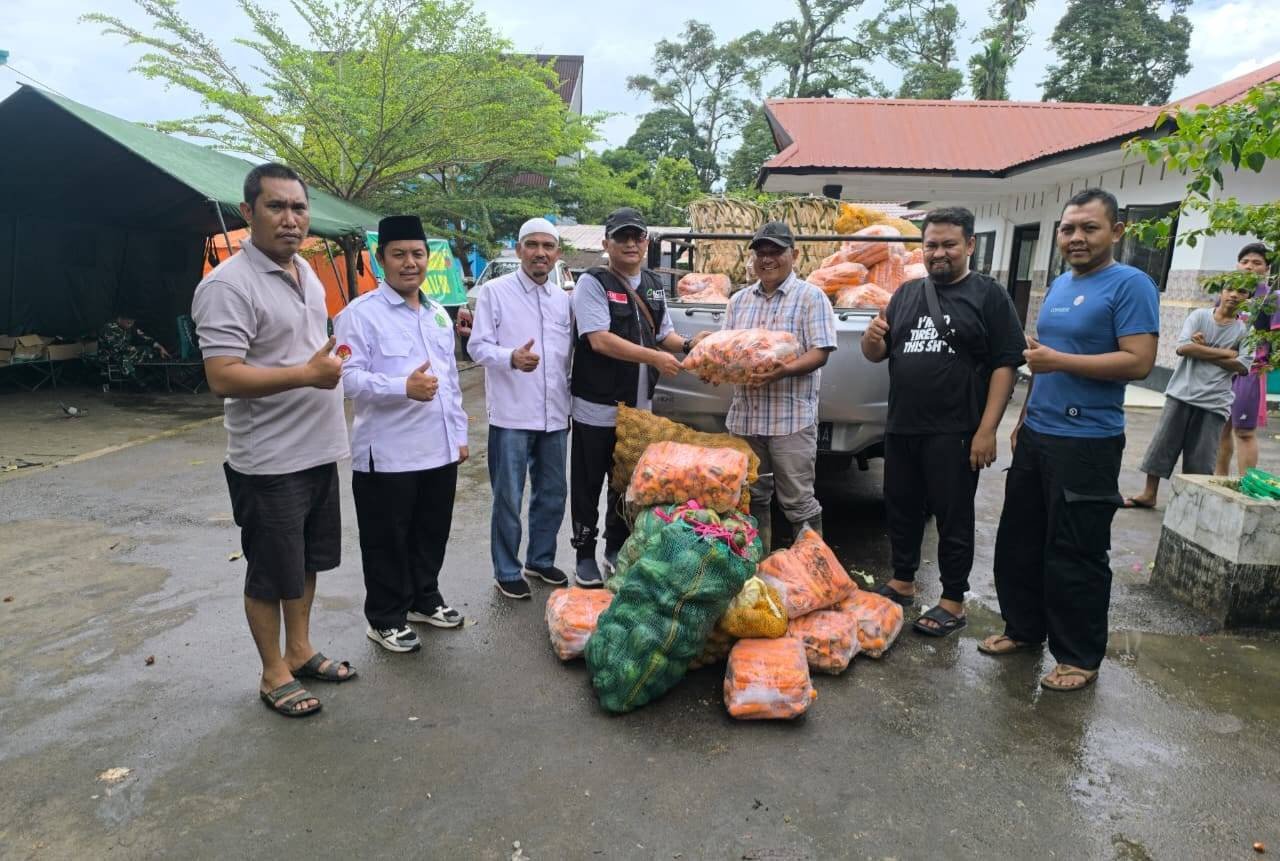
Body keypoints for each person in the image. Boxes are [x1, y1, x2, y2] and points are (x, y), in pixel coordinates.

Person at [193, 162, 356, 718]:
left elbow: (308, 349)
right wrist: (306, 376)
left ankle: (301, 649)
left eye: (299, 208)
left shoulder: (307, 274)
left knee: (306, 563)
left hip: (317, 449)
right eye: (276, 207)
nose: (291, 219)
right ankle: (272, 672)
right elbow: (222, 376)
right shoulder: (226, 286)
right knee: (268, 572)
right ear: (248, 212)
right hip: (268, 461)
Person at [983, 188, 1159, 692]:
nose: (1076, 238)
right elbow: (1043, 355)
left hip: (1087, 442)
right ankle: (1023, 628)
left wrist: (1058, 362)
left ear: (1116, 232)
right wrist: (1024, 416)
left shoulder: (1131, 284)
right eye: (1068, 229)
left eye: (1089, 228)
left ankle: (1079, 655)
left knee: (1076, 550)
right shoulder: (1061, 285)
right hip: (1039, 432)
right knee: (1021, 540)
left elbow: (1140, 361)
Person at [861, 207, 1025, 637]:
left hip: (956, 430)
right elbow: (878, 354)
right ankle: (903, 580)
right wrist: (870, 341)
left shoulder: (989, 295)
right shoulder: (906, 293)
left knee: (953, 516)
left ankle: (953, 599)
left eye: (949, 244)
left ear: (970, 245)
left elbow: (1006, 364)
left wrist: (986, 430)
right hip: (902, 425)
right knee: (901, 506)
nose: (939, 253)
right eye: (931, 245)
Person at [334, 214, 469, 653]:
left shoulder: (437, 316)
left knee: (431, 531)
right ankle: (386, 616)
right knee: (386, 539)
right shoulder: (359, 315)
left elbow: (449, 381)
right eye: (399, 255)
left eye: (417, 254)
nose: (409, 263)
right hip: (387, 454)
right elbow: (346, 379)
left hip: (438, 448)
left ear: (428, 259)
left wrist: (459, 434)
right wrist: (401, 388)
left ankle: (424, 599)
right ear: (381, 260)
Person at [569, 207, 698, 586]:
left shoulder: (655, 284)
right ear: (606, 242)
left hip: (639, 408)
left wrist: (690, 344)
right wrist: (655, 357)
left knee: (627, 483)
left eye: (637, 237)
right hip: (598, 406)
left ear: (646, 242)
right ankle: (583, 553)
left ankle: (616, 547)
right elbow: (599, 339)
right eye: (621, 237)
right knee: (588, 483)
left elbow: (665, 335)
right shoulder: (592, 282)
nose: (630, 244)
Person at [467, 218, 573, 600]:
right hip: (512, 413)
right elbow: (476, 347)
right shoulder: (496, 292)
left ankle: (540, 559)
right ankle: (507, 569)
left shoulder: (564, 300)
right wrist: (510, 357)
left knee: (553, 493)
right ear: (518, 250)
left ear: (557, 254)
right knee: (508, 497)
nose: (540, 252)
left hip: (556, 414)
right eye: (532, 245)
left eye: (548, 246)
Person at [724, 221, 837, 552]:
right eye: (761, 253)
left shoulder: (811, 298)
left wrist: (780, 371)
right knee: (752, 497)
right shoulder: (739, 300)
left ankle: (815, 575)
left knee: (798, 501)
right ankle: (758, 570)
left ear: (795, 254)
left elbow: (820, 352)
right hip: (745, 418)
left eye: (776, 252)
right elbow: (729, 350)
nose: (767, 259)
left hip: (790, 420)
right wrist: (716, 364)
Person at [1124, 281, 1252, 508]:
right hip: (1182, 393)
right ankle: (1149, 494)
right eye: (1230, 289)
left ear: (1248, 297)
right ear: (1221, 292)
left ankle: (1191, 505)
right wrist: (1224, 353)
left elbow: (1242, 366)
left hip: (1215, 401)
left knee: (1201, 459)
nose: (1234, 294)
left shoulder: (1245, 330)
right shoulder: (1199, 317)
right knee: (1161, 447)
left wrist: (1201, 350)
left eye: (1241, 291)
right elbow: (1183, 348)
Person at [1216, 243, 1273, 475]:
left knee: (1244, 431)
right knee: (1220, 426)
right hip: (1222, 367)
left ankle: (1245, 485)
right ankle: (1218, 480)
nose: (1249, 266)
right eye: (1245, 261)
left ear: (1267, 269)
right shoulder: (1229, 292)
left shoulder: (1271, 298)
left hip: (1250, 372)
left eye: (1257, 263)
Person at [99, 312, 171, 380]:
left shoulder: (130, 327)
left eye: (133, 321)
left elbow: (144, 337)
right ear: (120, 319)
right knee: (125, 358)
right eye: (128, 321)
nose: (131, 323)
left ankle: (149, 377)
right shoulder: (108, 328)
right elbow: (116, 346)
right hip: (110, 355)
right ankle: (135, 379)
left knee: (148, 350)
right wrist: (133, 348)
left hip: (126, 353)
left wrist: (160, 347)